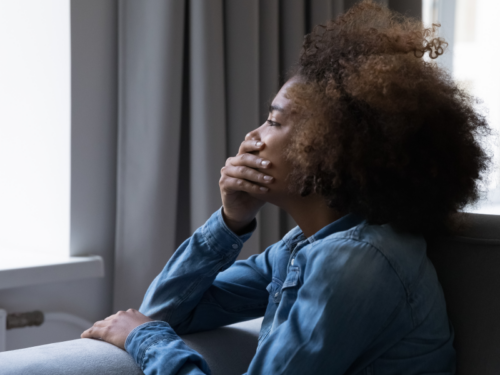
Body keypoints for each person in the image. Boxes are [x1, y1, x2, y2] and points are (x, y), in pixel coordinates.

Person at [82, 1, 491, 374]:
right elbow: (166, 310)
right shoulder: (302, 247)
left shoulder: (357, 261)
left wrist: (144, 338)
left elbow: (152, 325)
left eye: (274, 122)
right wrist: (231, 220)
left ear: (331, 143)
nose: (252, 137)